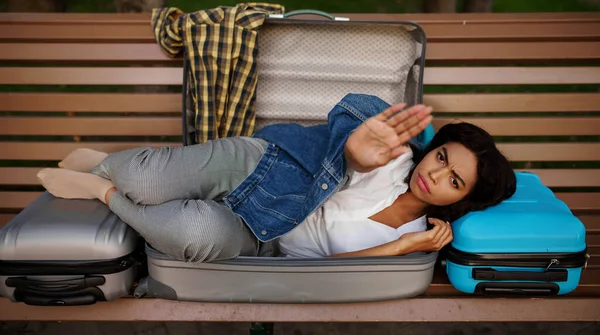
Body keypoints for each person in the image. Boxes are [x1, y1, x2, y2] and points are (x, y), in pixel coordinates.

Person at [36, 93, 516, 262]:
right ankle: (112, 165)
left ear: (462, 199)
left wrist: (399, 248)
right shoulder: (392, 156)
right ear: (432, 149)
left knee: (192, 235)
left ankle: (103, 189)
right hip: (267, 168)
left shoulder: (416, 237)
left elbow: (334, 273)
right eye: (443, 158)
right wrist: (351, 151)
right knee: (148, 184)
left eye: (455, 181)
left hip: (267, 238)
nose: (437, 175)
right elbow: (359, 110)